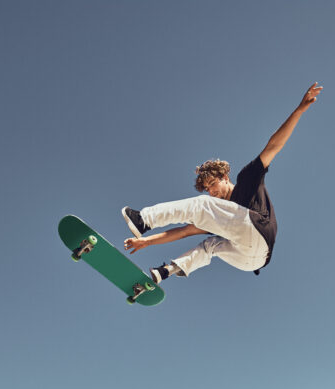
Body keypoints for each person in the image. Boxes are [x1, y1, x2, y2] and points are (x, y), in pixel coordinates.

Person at [122, 82, 323, 284]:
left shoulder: (247, 178)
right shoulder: (220, 219)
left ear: (225, 178)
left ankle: (144, 219)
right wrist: (146, 242)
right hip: (250, 261)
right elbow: (184, 231)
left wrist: (299, 109)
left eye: (212, 185)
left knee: (201, 205)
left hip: (259, 231)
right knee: (211, 244)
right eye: (207, 189)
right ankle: (168, 270)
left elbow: (273, 146)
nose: (211, 192)